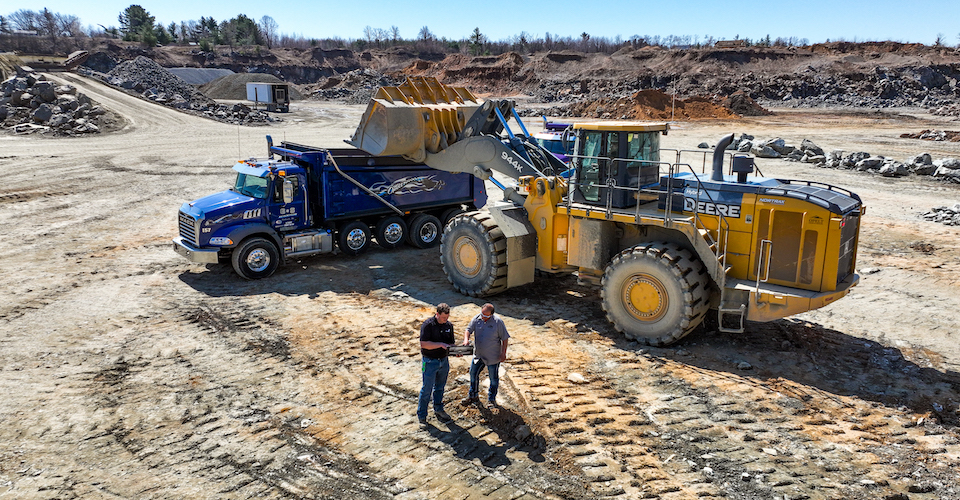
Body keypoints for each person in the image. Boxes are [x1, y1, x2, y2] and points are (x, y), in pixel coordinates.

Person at [462, 303, 510, 407]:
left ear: (491, 315)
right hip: (479, 355)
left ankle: (491, 400)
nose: (483, 317)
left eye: (486, 316)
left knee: (493, 379)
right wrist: (466, 339)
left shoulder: (498, 322)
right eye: (482, 314)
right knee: (473, 374)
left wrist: (503, 353)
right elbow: (468, 329)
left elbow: (505, 338)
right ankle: (473, 395)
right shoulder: (477, 318)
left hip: (493, 356)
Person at [417, 303, 455, 425]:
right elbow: (424, 344)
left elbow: (451, 344)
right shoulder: (427, 325)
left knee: (440, 387)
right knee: (426, 389)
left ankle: (438, 409)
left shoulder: (448, 325)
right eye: (444, 317)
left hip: (443, 361)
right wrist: (440, 344)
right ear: (437, 314)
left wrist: (456, 351)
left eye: (447, 317)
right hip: (429, 361)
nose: (446, 320)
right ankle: (422, 416)